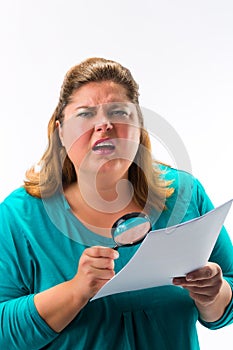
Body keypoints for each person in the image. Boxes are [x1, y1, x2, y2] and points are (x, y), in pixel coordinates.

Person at [0, 57, 233, 350]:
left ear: (138, 127)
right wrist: (76, 291)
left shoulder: (184, 194)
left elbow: (227, 299)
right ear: (61, 132)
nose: (104, 125)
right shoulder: (18, 217)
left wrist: (214, 294)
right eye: (85, 114)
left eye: (119, 112)